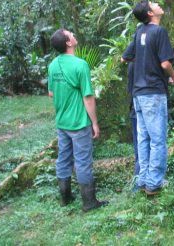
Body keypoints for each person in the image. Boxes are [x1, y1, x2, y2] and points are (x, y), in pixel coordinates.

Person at [121, 0, 174, 196]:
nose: (157, 3)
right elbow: (164, 64)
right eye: (153, 3)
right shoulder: (159, 32)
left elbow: (125, 57)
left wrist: (145, 61)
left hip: (138, 93)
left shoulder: (139, 32)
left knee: (144, 138)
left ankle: (143, 179)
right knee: (158, 139)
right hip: (153, 93)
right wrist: (173, 75)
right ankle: (154, 183)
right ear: (150, 12)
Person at [48, 28, 108, 212]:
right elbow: (88, 97)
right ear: (68, 42)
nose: (74, 34)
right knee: (82, 161)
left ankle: (65, 197)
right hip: (79, 123)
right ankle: (89, 202)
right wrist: (95, 123)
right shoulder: (80, 65)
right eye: (70, 34)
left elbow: (51, 93)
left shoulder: (52, 65)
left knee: (63, 159)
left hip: (62, 122)